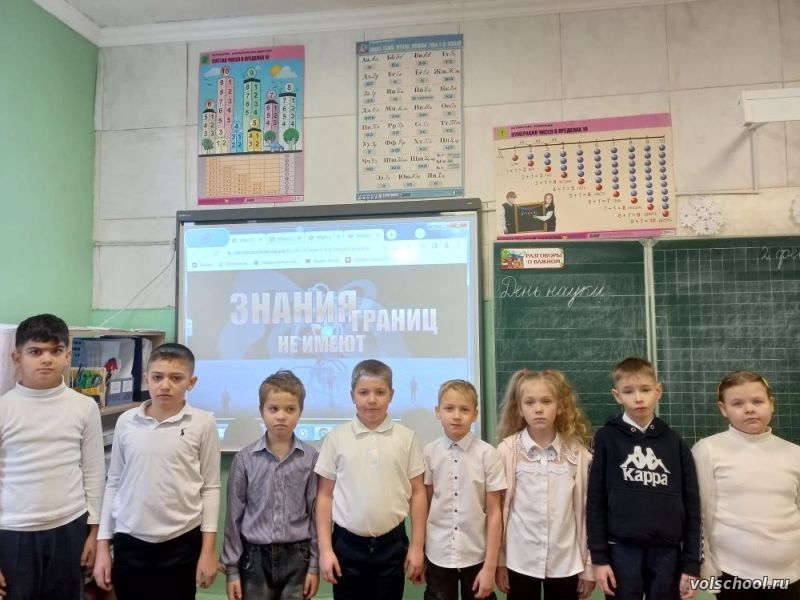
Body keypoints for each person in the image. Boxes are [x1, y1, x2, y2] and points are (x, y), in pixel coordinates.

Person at [93, 342, 221, 600]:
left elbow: (210, 487)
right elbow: (114, 482)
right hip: (130, 541)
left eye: (176, 378)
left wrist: (208, 551)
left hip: (182, 542)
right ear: (146, 379)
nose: (165, 385)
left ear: (191, 382)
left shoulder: (203, 423)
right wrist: (103, 547)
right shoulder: (126, 422)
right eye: (157, 377)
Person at [0, 313, 105, 599]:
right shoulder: (4, 408)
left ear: (67, 356)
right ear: (17, 357)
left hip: (70, 526)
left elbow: (94, 472)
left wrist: (95, 532)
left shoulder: (84, 407)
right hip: (13, 531)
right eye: (35, 352)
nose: (46, 359)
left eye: (55, 351)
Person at [587, 357, 700, 600]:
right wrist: (599, 557)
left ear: (658, 391)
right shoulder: (606, 439)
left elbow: (692, 505)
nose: (638, 398)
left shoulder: (675, 443)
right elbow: (595, 500)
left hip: (668, 551)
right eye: (629, 391)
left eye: (645, 390)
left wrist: (692, 563)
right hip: (621, 549)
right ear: (617, 395)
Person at [315, 359, 426, 600]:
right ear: (352, 395)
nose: (372, 400)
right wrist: (325, 550)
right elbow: (324, 496)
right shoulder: (336, 439)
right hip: (346, 547)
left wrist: (417, 547)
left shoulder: (407, 439)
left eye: (380, 392)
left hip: (392, 546)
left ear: (391, 395)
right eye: (363, 392)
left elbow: (418, 493)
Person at [692, 371, 800, 599]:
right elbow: (698, 512)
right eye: (738, 403)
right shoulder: (708, 450)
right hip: (731, 572)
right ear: (723, 409)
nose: (749, 409)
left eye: (758, 401)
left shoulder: (794, 454)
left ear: (771, 404)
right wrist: (705, 566)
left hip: (791, 573)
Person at [495, 369, 595, 600]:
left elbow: (587, 511)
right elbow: (499, 510)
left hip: (566, 562)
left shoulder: (577, 454)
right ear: (519, 409)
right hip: (519, 560)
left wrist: (588, 566)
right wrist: (500, 561)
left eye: (546, 401)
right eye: (530, 402)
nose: (538, 409)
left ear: (560, 406)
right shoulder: (507, 451)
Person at [221, 369, 320, 600]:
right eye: (273, 409)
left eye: (290, 409)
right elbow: (234, 517)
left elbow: (316, 514)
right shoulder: (244, 459)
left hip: (299, 555)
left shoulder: (311, 459)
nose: (281, 416)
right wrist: (232, 570)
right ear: (261, 411)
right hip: (254, 557)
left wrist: (315, 566)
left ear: (300, 411)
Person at [423, 379, 506, 600]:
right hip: (437, 553)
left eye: (465, 409)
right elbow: (426, 506)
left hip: (477, 554)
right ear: (437, 411)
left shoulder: (488, 455)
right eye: (449, 408)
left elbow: (495, 513)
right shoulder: (428, 453)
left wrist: (490, 567)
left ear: (475, 414)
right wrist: (420, 551)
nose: (456, 415)